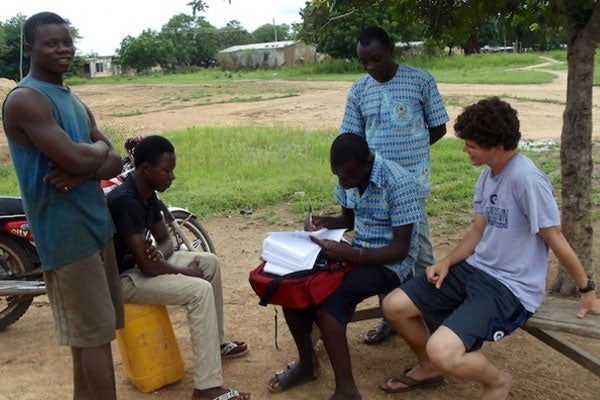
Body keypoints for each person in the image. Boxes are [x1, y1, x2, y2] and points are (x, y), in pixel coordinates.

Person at [381, 97, 600, 399]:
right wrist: (446, 261)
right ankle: (429, 368)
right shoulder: (489, 174)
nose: (465, 150)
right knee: (395, 306)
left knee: (443, 350)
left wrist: (587, 290)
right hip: (476, 269)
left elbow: (556, 238)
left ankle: (497, 381)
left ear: (497, 145)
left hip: (510, 287)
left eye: (471, 145)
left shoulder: (526, 180)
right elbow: (479, 229)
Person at [2, 12, 124, 400]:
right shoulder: (26, 100)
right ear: (30, 48)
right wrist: (91, 157)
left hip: (95, 226)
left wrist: (82, 167)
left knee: (88, 337)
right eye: (51, 43)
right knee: (95, 339)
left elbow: (115, 160)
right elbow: (85, 155)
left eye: (67, 41)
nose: (63, 50)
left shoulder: (73, 99)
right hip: (65, 233)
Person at [267, 133, 422, 400]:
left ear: (366, 163)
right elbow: (349, 218)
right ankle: (307, 365)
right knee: (292, 285)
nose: (342, 182)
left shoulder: (399, 183)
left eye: (347, 176)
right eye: (337, 175)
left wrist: (353, 256)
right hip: (356, 252)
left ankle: (347, 390)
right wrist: (324, 221)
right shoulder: (349, 176)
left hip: (390, 263)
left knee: (330, 301)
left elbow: (400, 249)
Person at [106, 135, 250, 400]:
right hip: (124, 279)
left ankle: (215, 344)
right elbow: (148, 268)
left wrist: (158, 255)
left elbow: (165, 242)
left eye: (172, 169)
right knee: (199, 290)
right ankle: (206, 388)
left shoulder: (147, 195)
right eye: (167, 170)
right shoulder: (125, 200)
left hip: (144, 267)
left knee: (210, 263)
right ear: (146, 168)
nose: (171, 176)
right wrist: (180, 270)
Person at [340, 26, 450, 344]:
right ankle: (392, 319)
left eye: (375, 58)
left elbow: (438, 126)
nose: (371, 66)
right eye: (364, 62)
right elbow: (352, 140)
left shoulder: (420, 80)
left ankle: (433, 323)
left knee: (420, 255)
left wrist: (412, 153)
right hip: (374, 189)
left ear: (391, 49)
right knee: (381, 254)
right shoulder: (358, 91)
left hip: (413, 186)